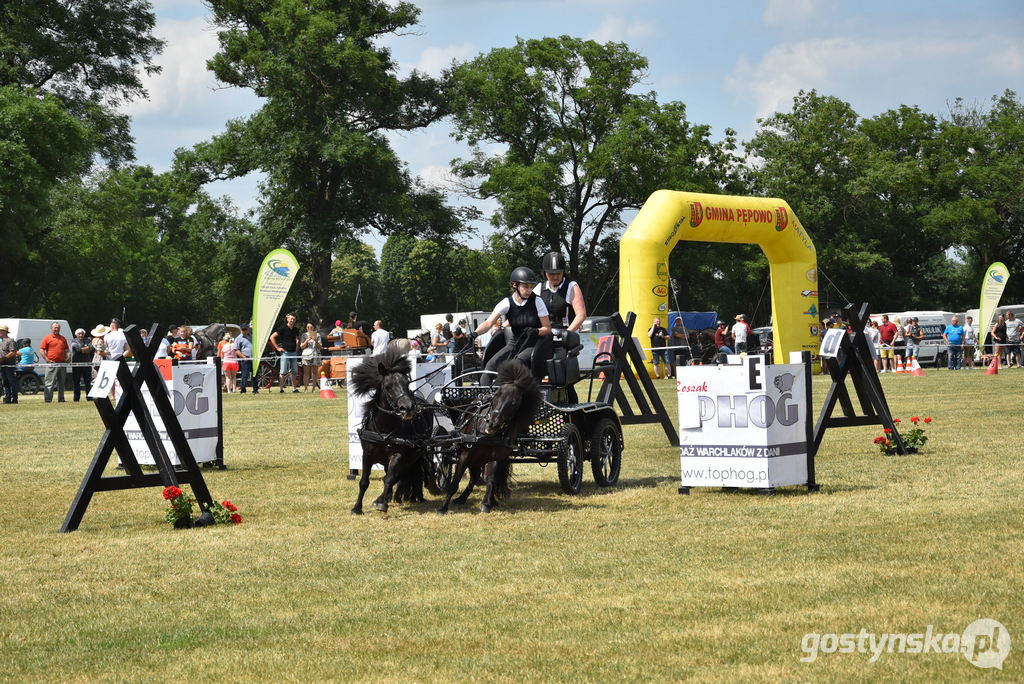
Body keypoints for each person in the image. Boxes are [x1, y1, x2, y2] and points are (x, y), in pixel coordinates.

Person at [475, 266, 552, 386]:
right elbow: (488, 323)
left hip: (534, 344)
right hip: (514, 343)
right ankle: (483, 399)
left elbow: (547, 328)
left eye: (531, 287)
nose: (529, 290)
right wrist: (474, 334)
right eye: (526, 286)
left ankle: (499, 394)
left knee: (515, 364)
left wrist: (536, 331)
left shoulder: (537, 301)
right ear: (515, 285)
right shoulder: (507, 302)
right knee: (489, 366)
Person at [535, 251, 587, 332]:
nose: (555, 277)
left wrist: (567, 334)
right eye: (552, 274)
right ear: (545, 272)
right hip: (546, 337)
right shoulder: (539, 289)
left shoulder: (572, 286)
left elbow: (581, 315)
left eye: (559, 273)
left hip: (568, 336)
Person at [270, 313, 302, 393]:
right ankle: (281, 389)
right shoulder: (282, 328)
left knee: (294, 372)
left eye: (294, 319)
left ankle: (294, 389)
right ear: (287, 319)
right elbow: (272, 337)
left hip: (294, 353)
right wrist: (277, 348)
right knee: (283, 371)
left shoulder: (296, 329)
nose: (292, 320)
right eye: (291, 319)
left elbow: (298, 338)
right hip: (285, 353)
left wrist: (298, 346)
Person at [39, 321, 70, 403]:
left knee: (62, 383)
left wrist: (68, 357)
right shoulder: (47, 338)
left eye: (58, 328)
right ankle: (48, 399)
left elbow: (67, 350)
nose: (57, 329)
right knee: (49, 383)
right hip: (52, 363)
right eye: (55, 327)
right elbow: (41, 349)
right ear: (51, 328)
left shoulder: (63, 338)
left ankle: (61, 399)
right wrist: (47, 359)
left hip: (62, 364)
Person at [70, 329, 95, 401]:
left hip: (86, 364)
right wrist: (87, 349)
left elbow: (93, 349)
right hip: (76, 364)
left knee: (88, 381)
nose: (81, 335)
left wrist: (84, 349)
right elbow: (77, 349)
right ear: (76, 335)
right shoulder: (74, 341)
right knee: (76, 381)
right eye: (79, 334)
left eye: (82, 334)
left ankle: (89, 397)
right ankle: (76, 398)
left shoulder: (87, 340)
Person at [300, 322, 322, 390]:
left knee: (315, 372)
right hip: (306, 354)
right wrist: (307, 340)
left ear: (313, 328)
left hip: (315, 354)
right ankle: (305, 388)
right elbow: (301, 346)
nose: (310, 328)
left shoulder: (317, 335)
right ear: (306, 328)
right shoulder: (304, 335)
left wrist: (315, 340)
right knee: (306, 372)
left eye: (311, 327)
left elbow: (320, 347)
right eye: (308, 327)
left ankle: (314, 388)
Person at [236, 324, 257, 394]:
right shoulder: (238, 338)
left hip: (254, 358)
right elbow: (236, 350)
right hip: (245, 359)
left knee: (255, 374)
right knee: (245, 374)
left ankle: (255, 389)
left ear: (248, 329)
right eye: (243, 329)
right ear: (240, 330)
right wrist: (243, 357)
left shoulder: (253, 336)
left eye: (246, 329)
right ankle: (243, 389)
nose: (244, 331)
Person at [0, 325, 18, 404]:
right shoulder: (1, 342)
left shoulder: (10, 340)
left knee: (12, 382)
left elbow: (13, 352)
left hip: (9, 365)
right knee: (5, 382)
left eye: (0, 331)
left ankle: (14, 398)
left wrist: (3, 358)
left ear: (5, 332)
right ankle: (7, 398)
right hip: (2, 365)